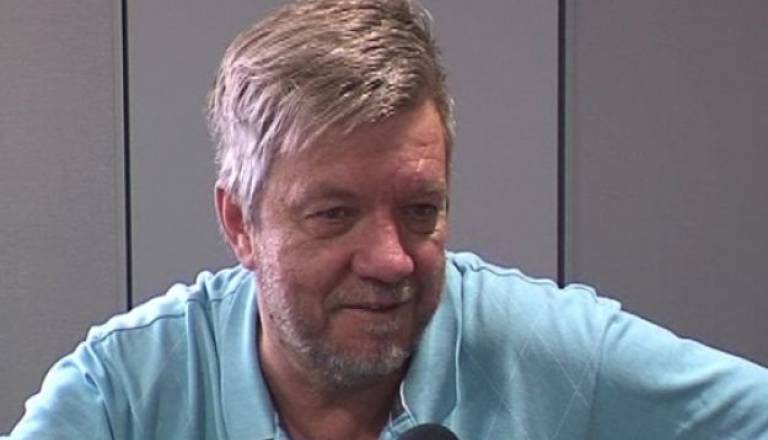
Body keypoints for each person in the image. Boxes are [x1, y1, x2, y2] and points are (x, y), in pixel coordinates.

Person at [5, 0, 768, 439]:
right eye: (335, 214)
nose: (393, 260)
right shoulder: (126, 391)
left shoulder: (549, 353)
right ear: (240, 224)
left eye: (420, 211)